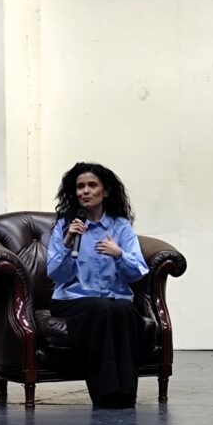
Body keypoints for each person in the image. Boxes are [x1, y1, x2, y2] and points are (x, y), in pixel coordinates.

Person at [46, 162, 149, 408]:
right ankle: (106, 394)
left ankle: (127, 395)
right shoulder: (65, 227)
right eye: (80, 186)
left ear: (106, 191)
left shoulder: (120, 227)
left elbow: (138, 272)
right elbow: (56, 274)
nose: (85, 191)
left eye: (92, 185)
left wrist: (118, 254)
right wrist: (68, 242)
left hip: (113, 299)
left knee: (124, 309)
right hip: (72, 300)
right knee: (103, 308)